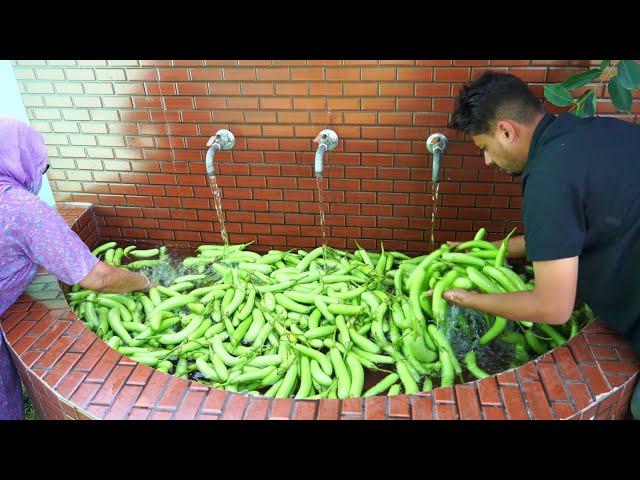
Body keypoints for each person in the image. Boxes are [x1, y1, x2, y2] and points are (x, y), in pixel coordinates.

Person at [442, 71, 640, 419]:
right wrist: (490, 248)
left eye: (485, 148)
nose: (487, 161)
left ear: (505, 130)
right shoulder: (596, 131)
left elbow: (553, 307)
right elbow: (564, 236)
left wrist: (470, 299)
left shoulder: (549, 178)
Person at [0, 116, 155, 420]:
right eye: (41, 164)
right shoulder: (21, 210)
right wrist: (144, 282)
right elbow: (97, 277)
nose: (41, 172)